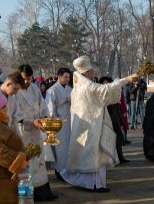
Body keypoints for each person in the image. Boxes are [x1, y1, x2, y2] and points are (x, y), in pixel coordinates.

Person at [61, 56, 138, 192]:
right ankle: (94, 184)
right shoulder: (87, 86)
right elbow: (104, 91)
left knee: (89, 155)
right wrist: (126, 80)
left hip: (84, 126)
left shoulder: (78, 86)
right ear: (85, 72)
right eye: (91, 70)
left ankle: (90, 183)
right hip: (92, 126)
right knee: (94, 155)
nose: (93, 72)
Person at [7, 65, 57, 201]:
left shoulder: (35, 88)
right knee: (26, 162)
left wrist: (45, 118)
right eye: (24, 79)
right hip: (22, 131)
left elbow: (43, 105)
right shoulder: (15, 92)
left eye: (29, 78)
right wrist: (31, 121)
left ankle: (43, 192)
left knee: (39, 161)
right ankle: (26, 194)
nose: (27, 82)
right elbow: (15, 114)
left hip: (37, 130)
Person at [44, 67, 72, 179]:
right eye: (65, 77)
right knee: (60, 148)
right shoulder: (52, 90)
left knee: (68, 147)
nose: (67, 79)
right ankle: (59, 171)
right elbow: (50, 109)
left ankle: (68, 170)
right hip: (59, 122)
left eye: (68, 77)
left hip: (69, 121)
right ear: (59, 77)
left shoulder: (70, 89)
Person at [100, 76, 129, 164]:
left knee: (118, 139)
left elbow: (118, 106)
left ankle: (120, 157)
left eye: (107, 83)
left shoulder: (113, 93)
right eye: (104, 83)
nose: (106, 84)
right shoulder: (100, 94)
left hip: (115, 118)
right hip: (106, 118)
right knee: (108, 139)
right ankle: (110, 159)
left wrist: (120, 118)